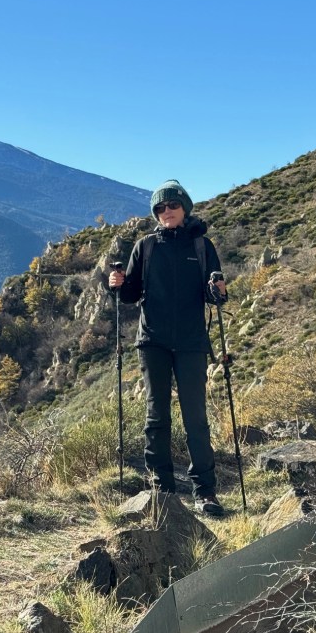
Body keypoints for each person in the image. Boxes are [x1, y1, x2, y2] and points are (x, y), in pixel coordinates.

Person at [108, 180, 228, 516]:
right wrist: (115, 286)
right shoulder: (145, 246)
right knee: (156, 416)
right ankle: (163, 489)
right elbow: (129, 295)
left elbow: (214, 294)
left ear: (185, 207)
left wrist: (218, 290)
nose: (166, 212)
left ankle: (205, 492)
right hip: (153, 341)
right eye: (160, 208)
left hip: (191, 342)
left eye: (172, 205)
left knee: (196, 418)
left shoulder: (202, 246)